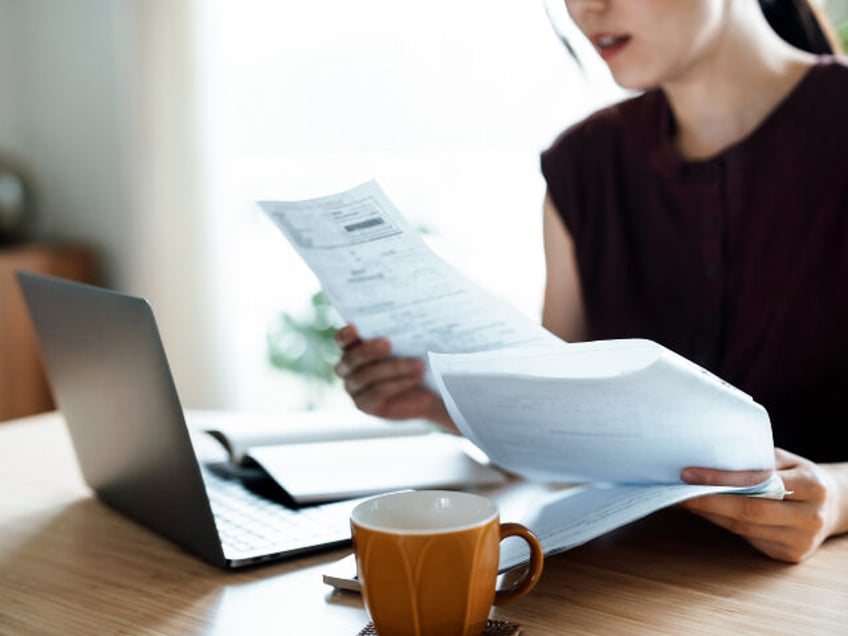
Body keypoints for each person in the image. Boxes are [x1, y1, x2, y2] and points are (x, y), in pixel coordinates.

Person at [333, 0, 848, 564]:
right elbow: (572, 429)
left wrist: (837, 498)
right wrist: (433, 403)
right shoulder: (582, 165)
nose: (586, 9)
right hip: (623, 582)